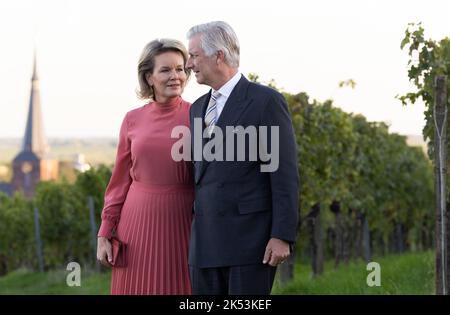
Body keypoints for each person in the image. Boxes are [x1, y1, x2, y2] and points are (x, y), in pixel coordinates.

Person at [186, 21, 299, 295]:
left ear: (219, 55)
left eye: (194, 55)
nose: (189, 64)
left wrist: (281, 235)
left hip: (250, 243)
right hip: (204, 245)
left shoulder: (265, 102)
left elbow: (283, 174)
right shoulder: (198, 108)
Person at [96, 39, 194, 295]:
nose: (176, 76)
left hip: (183, 222)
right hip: (136, 224)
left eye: (180, 69)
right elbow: (118, 183)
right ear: (149, 77)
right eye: (166, 70)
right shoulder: (132, 120)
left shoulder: (200, 116)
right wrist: (105, 232)